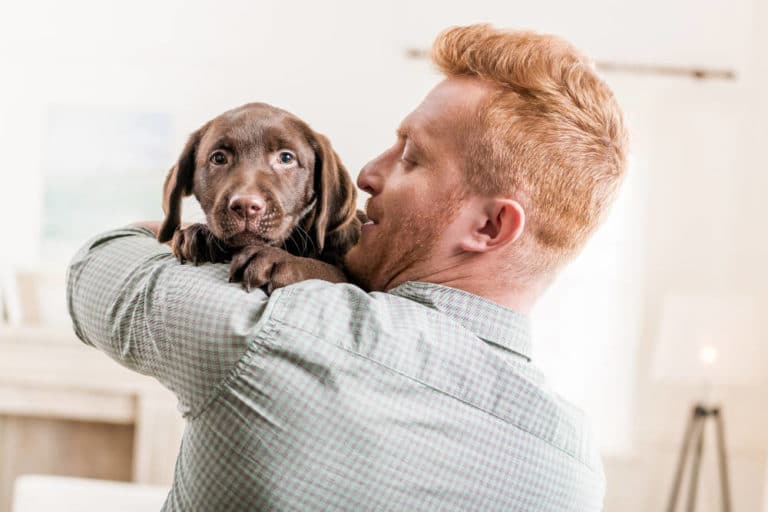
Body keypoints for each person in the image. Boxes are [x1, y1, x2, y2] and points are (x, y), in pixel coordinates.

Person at [67, 24, 627, 511]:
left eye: (412, 157)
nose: (365, 174)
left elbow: (95, 265)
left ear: (488, 228)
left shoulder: (268, 330)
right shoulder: (575, 470)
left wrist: (168, 235)